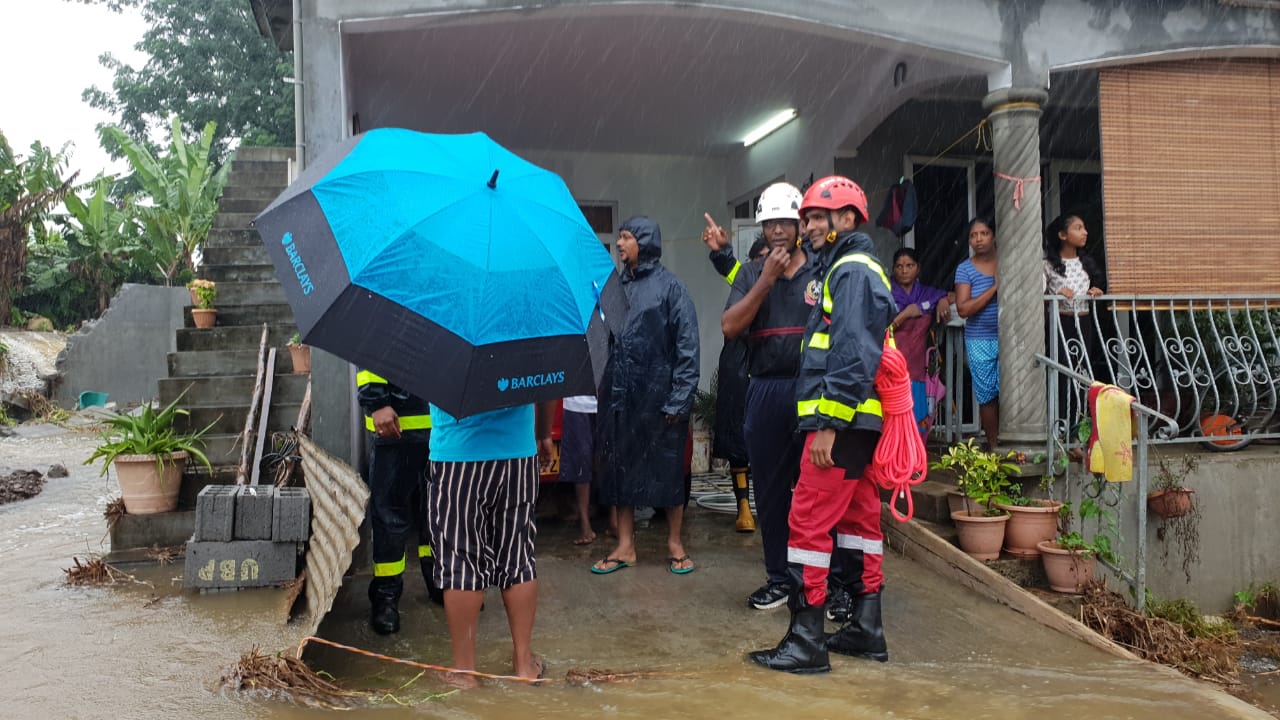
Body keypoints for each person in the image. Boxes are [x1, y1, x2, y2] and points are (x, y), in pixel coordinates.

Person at [748, 176, 896, 673]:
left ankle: (806, 639)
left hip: (840, 423)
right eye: (806, 217)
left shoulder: (849, 271)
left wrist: (828, 423)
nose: (807, 225)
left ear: (847, 219)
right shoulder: (851, 268)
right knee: (858, 523)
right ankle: (867, 627)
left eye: (816, 217)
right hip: (859, 422)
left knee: (808, 522)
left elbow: (851, 353)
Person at [713, 183, 825, 612]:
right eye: (770, 223)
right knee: (772, 492)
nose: (777, 230)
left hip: (813, 391)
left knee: (818, 492)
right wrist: (766, 280)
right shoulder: (749, 273)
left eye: (785, 222)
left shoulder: (822, 270)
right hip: (765, 389)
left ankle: (823, 583)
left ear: (799, 225)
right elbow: (730, 327)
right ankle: (780, 579)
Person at [593, 216, 700, 576]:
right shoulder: (615, 288)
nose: (619, 243)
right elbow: (603, 340)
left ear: (645, 242)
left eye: (626, 237)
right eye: (620, 236)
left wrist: (679, 399)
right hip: (621, 397)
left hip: (661, 398)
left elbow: (688, 346)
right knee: (621, 471)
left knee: (668, 471)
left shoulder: (672, 288)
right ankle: (625, 546)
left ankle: (675, 543)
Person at [425, 400, 556, 684]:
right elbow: (548, 388)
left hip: (458, 456)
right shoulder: (526, 360)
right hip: (518, 454)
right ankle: (524, 665)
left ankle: (465, 672)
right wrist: (544, 433)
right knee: (518, 557)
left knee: (460, 560)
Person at [356, 370, 441, 635]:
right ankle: (386, 596)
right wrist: (377, 402)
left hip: (444, 426)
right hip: (394, 426)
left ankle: (440, 579)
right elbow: (371, 351)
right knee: (389, 517)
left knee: (440, 511)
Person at [703, 226, 770, 533]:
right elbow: (728, 266)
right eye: (759, 260)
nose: (764, 265)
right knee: (737, 439)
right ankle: (743, 506)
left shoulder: (791, 286)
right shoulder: (746, 279)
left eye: (769, 258)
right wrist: (720, 250)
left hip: (770, 371)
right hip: (739, 368)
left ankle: (771, 503)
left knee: (773, 442)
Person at [1043, 214, 1107, 419]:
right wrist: (1056, 294)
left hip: (1084, 321)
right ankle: (1061, 420)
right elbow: (1038, 297)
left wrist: (1097, 291)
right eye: (1078, 228)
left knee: (1082, 370)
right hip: (1061, 322)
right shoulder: (1048, 265)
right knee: (1062, 370)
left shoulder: (1086, 262)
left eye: (1084, 227)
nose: (1085, 232)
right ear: (1062, 235)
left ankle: (1080, 420)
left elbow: (1098, 285)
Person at [889, 248, 953, 436]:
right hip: (891, 370)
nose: (904, 270)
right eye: (899, 266)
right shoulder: (885, 292)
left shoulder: (925, 293)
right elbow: (882, 327)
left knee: (917, 427)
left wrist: (943, 301)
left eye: (909, 265)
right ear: (893, 269)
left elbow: (954, 295)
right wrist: (907, 314)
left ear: (918, 268)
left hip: (917, 372)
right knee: (892, 428)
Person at [954, 218, 1000, 451]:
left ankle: (1014, 445)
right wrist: (994, 288)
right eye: (973, 235)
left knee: (1015, 392)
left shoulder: (1007, 262)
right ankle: (995, 448)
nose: (978, 239)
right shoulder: (965, 269)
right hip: (979, 338)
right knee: (986, 395)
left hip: (1010, 337)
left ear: (994, 235)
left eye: (984, 233)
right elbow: (963, 309)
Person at [559, 395, 599, 545]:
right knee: (581, 463)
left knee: (609, 459)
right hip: (575, 404)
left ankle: (615, 521)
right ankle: (585, 524)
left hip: (607, 400)